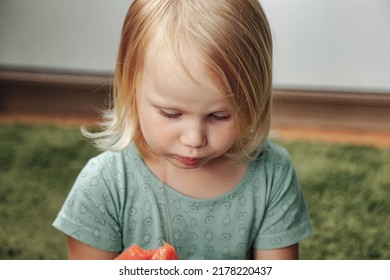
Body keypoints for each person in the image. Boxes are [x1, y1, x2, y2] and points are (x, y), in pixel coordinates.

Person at [53, 0, 312, 260]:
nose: (194, 139)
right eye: (171, 114)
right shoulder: (105, 185)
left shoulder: (272, 176)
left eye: (220, 116)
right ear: (130, 87)